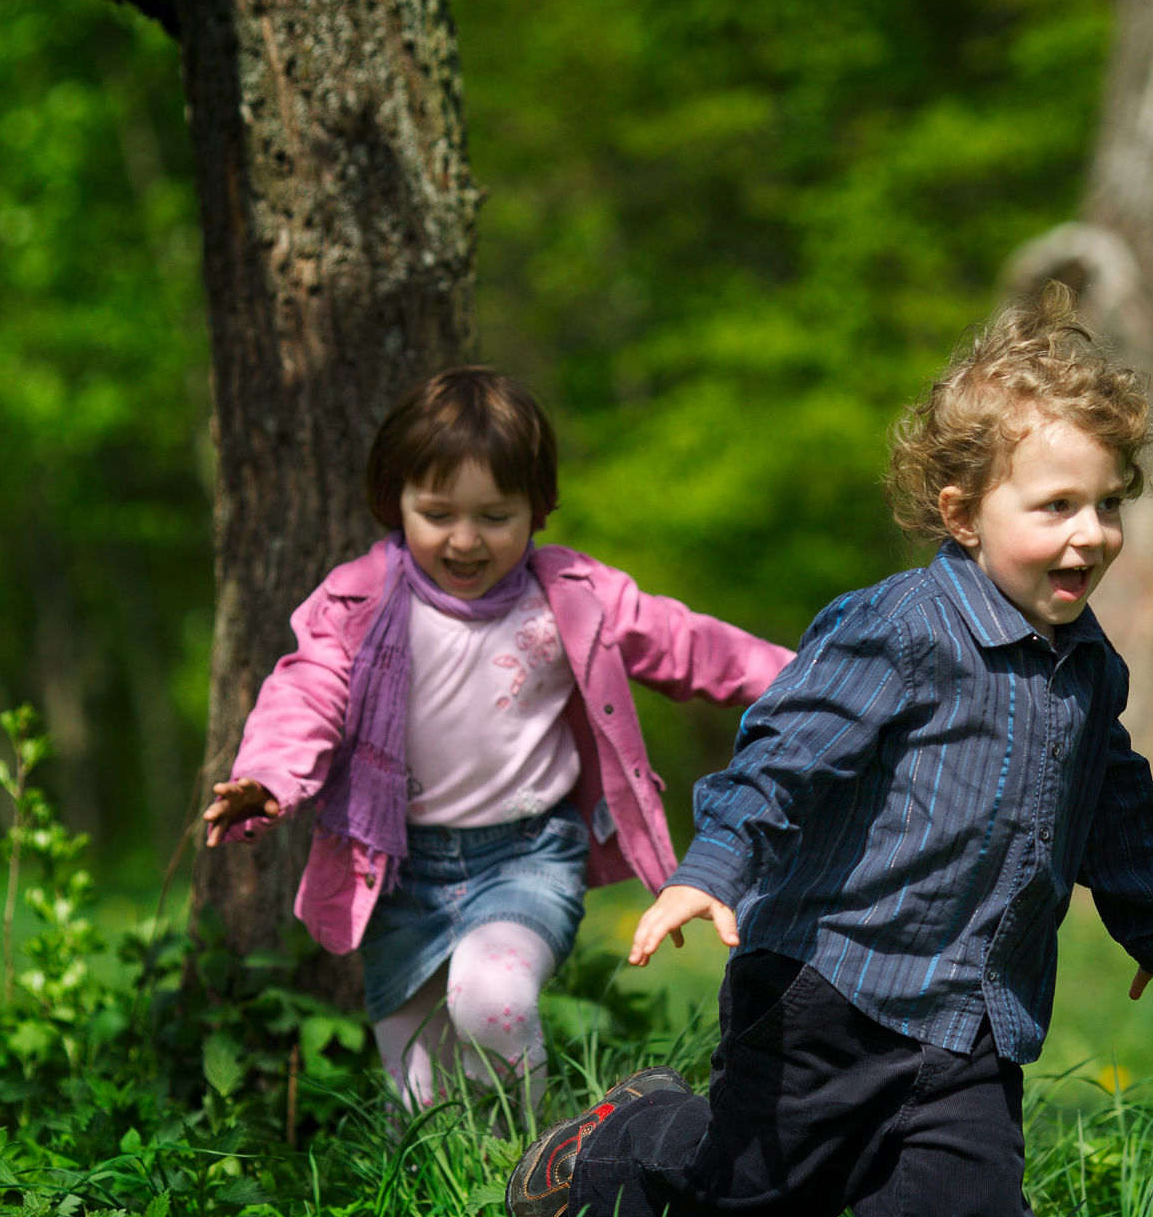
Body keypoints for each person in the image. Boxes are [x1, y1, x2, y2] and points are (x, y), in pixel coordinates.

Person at [504, 286, 1153, 1217]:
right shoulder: (894, 629)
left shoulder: (1088, 667)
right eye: (1053, 507)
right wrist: (711, 869)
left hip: (971, 1018)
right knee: (753, 1190)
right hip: (829, 987)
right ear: (962, 512)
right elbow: (782, 756)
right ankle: (602, 1151)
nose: (1087, 534)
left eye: (1105, 505)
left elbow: (1115, 802)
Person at [204, 367, 793, 1114]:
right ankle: (449, 1208)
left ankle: (528, 1172)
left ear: (536, 510)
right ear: (397, 503)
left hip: (526, 857)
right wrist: (268, 779)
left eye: (494, 516)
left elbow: (691, 647)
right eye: (437, 511)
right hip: (399, 867)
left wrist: (811, 678)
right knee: (415, 1097)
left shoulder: (572, 597)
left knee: (492, 1000)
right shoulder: (359, 600)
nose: (464, 539)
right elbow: (306, 690)